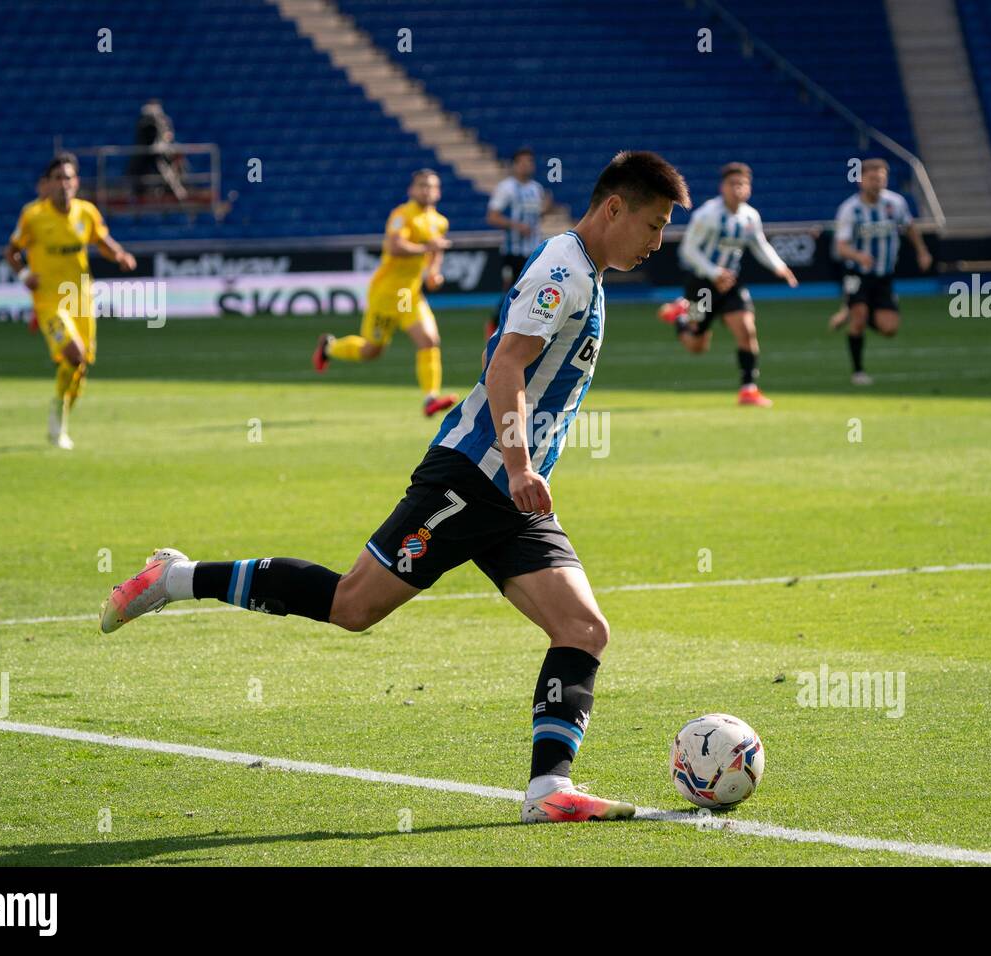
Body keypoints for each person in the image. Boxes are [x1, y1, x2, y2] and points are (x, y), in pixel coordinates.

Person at [102, 151, 692, 824]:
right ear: (614, 208)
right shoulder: (564, 269)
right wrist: (521, 461)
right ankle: (174, 579)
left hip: (511, 497)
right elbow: (505, 365)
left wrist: (523, 471)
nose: (658, 242)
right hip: (474, 479)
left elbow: (499, 354)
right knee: (354, 605)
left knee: (583, 628)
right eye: (654, 223)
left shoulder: (581, 270)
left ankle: (548, 791)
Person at [5, 153, 137, 449]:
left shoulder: (86, 213)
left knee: (81, 367)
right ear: (48, 184)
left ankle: (59, 412)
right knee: (73, 354)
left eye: (68, 177)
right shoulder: (33, 216)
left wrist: (119, 255)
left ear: (76, 182)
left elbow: (101, 240)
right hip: (50, 301)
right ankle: (58, 418)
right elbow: (11, 252)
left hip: (81, 299)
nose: (63, 183)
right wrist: (24, 273)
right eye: (58, 178)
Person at [313, 169, 458, 417]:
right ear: (411, 190)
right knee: (371, 351)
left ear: (438, 192)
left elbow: (437, 249)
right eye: (422, 185)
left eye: (432, 186)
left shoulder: (439, 221)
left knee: (429, 340)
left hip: (409, 295)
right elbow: (396, 246)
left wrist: (433, 271)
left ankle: (430, 398)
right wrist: (427, 247)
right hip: (386, 294)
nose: (427, 190)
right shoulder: (402, 215)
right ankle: (329, 348)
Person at [658, 162, 797, 406]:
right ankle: (680, 318)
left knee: (747, 330)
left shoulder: (750, 216)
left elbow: (760, 244)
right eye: (733, 184)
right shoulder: (708, 215)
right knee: (697, 346)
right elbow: (688, 249)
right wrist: (713, 272)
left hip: (732, 284)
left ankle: (748, 389)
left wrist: (780, 267)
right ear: (723, 187)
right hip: (702, 285)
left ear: (749, 188)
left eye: (742, 184)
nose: (738, 189)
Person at [829, 158, 932, 385]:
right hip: (857, 274)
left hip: (884, 275)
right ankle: (858, 371)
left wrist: (922, 251)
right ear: (861, 180)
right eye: (873, 178)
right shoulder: (850, 209)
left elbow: (910, 227)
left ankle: (852, 309)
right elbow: (842, 247)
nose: (878, 182)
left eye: (882, 178)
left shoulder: (895, 203)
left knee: (889, 329)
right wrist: (859, 256)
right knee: (859, 321)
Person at [484, 147, 548, 340]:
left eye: (530, 162)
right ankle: (495, 325)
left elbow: (535, 218)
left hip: (532, 251)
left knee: (530, 290)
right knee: (511, 290)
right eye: (523, 162)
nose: (527, 165)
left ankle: (521, 329)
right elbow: (492, 217)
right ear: (514, 165)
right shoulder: (507, 187)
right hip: (512, 252)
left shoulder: (536, 189)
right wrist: (516, 226)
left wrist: (546, 210)